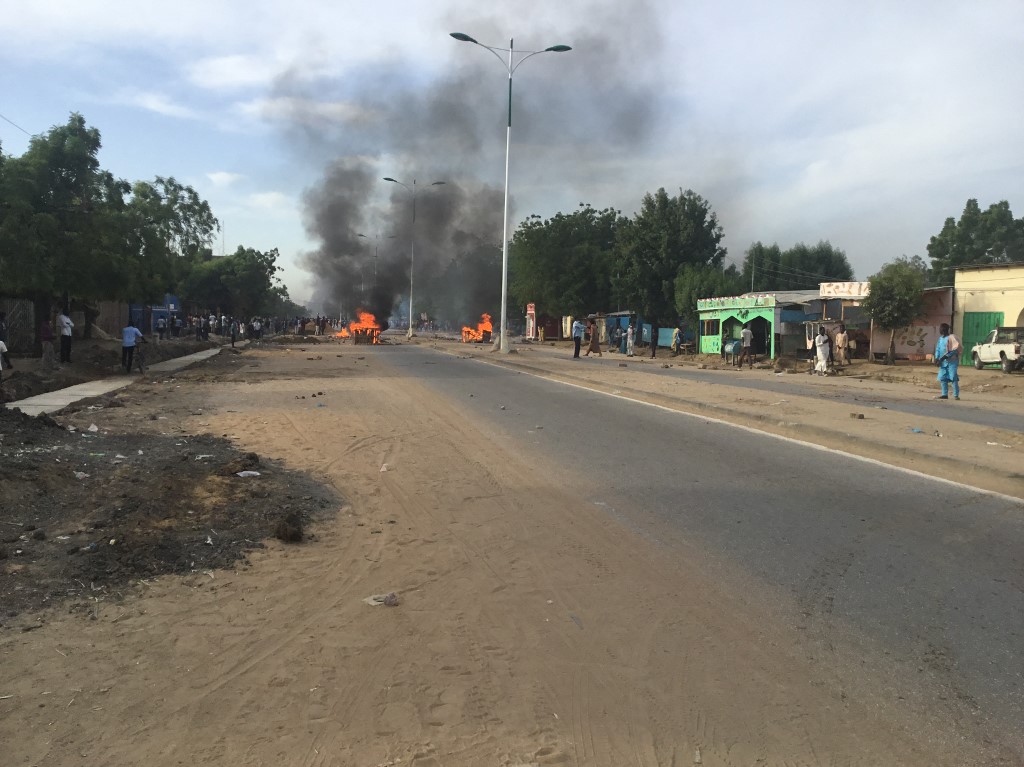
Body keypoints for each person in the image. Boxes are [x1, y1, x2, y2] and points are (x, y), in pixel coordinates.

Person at [934, 323, 961, 400]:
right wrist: (936, 358)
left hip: (952, 361)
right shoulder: (940, 339)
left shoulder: (951, 338)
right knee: (943, 378)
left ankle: (956, 395)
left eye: (941, 329)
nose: (940, 330)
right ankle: (944, 394)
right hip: (943, 362)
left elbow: (954, 349)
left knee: (953, 377)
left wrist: (944, 357)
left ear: (945, 329)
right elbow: (938, 349)